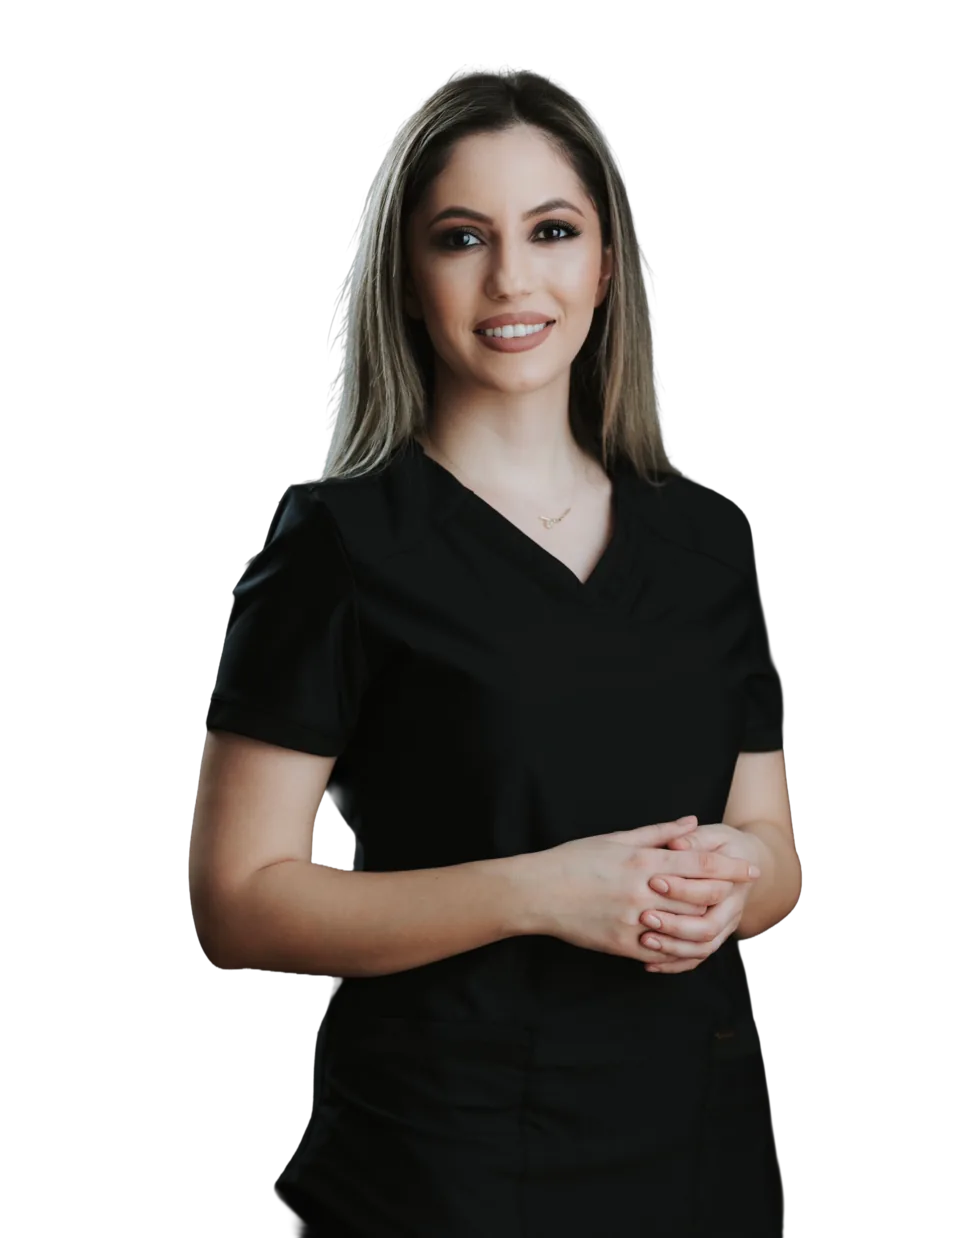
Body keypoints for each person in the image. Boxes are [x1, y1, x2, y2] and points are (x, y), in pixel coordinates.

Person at [190, 63, 800, 1237]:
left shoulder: (709, 541)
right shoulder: (339, 544)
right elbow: (239, 903)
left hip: (702, 1152)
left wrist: (735, 877)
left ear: (606, 266)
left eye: (552, 230)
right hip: (442, 1168)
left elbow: (773, 852)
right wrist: (539, 893)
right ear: (406, 277)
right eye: (462, 237)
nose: (512, 278)